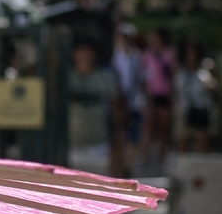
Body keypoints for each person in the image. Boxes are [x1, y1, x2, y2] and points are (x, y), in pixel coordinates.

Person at [66, 41, 120, 176]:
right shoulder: (67, 77)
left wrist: (118, 137)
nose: (86, 56)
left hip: (99, 143)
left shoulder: (104, 77)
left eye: (89, 52)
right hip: (72, 144)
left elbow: (115, 108)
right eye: (82, 51)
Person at [111, 25, 145, 176]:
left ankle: (127, 167)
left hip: (134, 102)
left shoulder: (138, 56)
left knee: (133, 137)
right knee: (118, 136)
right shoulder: (113, 56)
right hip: (117, 102)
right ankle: (117, 168)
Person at [139, 31, 175, 171]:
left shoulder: (169, 54)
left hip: (165, 95)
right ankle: (145, 156)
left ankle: (162, 156)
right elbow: (143, 76)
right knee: (148, 126)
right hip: (151, 95)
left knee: (164, 127)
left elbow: (173, 73)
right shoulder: (147, 55)